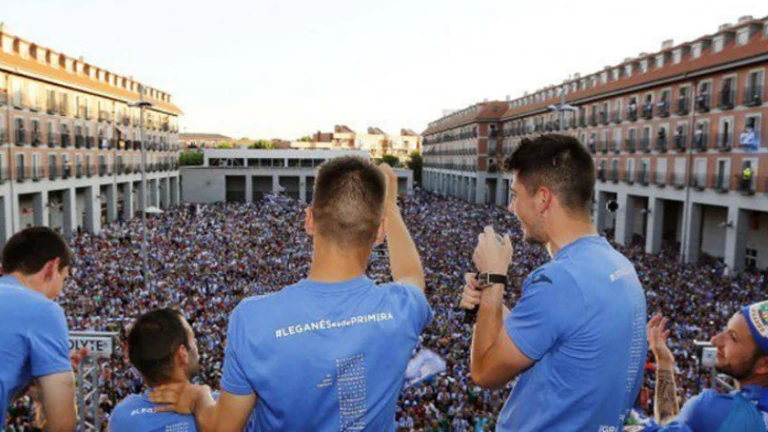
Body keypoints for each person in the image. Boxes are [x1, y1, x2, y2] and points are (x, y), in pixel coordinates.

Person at [150, 158, 432, 431]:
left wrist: (199, 397)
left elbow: (224, 427)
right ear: (380, 231)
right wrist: (391, 206)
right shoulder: (402, 308)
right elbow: (412, 275)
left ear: (309, 220)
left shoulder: (253, 319)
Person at [460, 134, 648, 431]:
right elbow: (552, 331)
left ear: (543, 199)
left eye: (515, 195)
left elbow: (485, 373)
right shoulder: (620, 265)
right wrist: (488, 302)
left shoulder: (560, 280)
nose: (510, 208)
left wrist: (493, 278)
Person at [644, 301, 768, 431]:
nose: (715, 340)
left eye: (733, 337)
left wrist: (664, 363)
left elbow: (666, 422)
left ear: (764, 365)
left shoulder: (710, 410)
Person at [0, 227, 77, 431]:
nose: (61, 291)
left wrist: (28, 380)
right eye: (64, 278)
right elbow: (61, 424)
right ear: (53, 267)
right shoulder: (43, 310)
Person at [109, 308, 207, 432]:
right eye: (192, 337)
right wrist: (204, 400)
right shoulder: (220, 410)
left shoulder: (120, 416)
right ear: (182, 354)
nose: (196, 342)